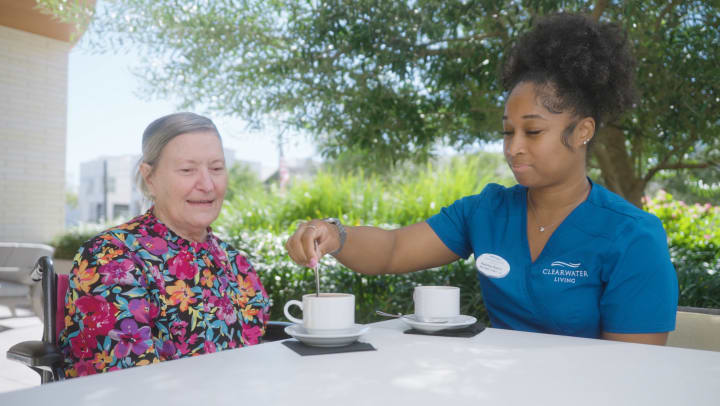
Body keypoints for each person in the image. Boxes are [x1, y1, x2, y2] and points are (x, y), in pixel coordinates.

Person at [286, 13, 678, 345]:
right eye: (508, 132)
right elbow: (393, 249)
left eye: (533, 132)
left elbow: (632, 371)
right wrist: (336, 234)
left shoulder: (634, 238)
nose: (514, 148)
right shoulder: (486, 211)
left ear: (583, 131)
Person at [58, 113, 270, 378]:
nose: (207, 185)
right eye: (187, 170)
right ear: (150, 178)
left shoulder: (236, 262)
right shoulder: (111, 258)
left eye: (216, 168)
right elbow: (124, 385)